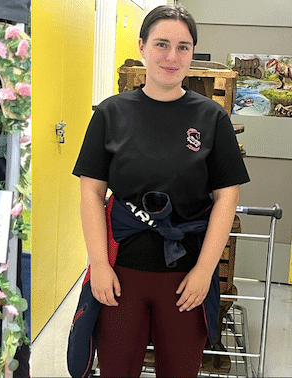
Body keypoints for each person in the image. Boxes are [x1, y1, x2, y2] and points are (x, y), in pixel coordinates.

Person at [72, 5, 250, 377]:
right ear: (142, 46)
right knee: (117, 369)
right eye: (162, 44)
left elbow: (227, 198)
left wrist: (205, 271)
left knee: (180, 370)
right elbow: (91, 194)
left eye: (183, 47)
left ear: (192, 53)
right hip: (121, 275)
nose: (172, 56)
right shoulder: (111, 114)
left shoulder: (211, 118)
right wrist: (99, 265)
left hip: (186, 278)